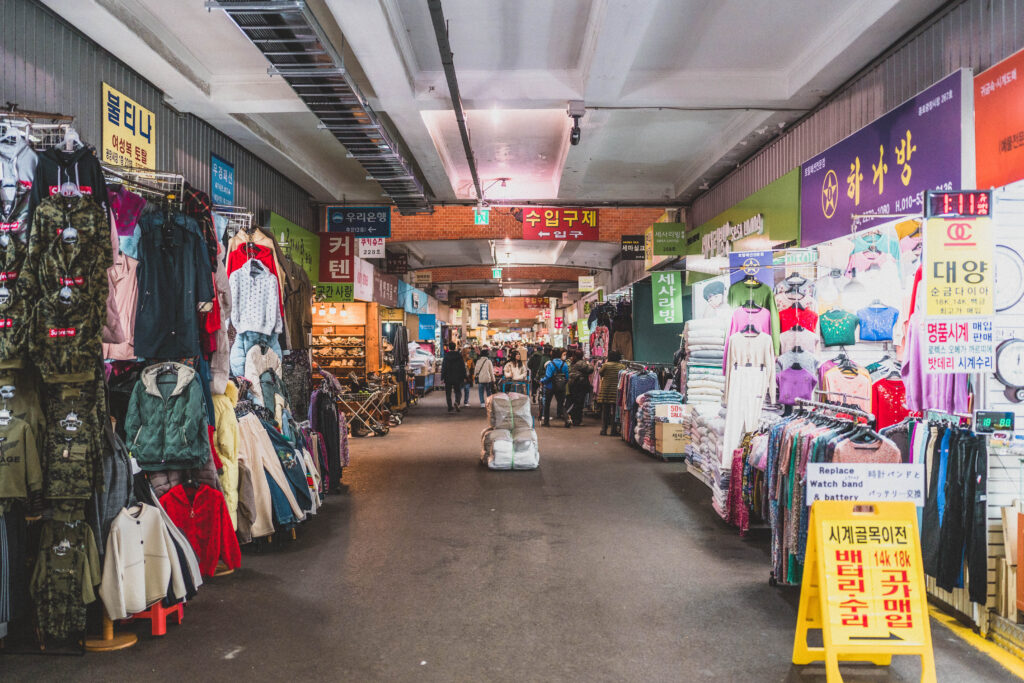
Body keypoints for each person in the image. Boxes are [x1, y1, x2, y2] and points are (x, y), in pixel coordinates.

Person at [597, 350, 625, 435]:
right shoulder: (622, 366)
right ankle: (613, 430)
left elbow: (600, 373)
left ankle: (604, 430)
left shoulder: (605, 365)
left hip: (606, 390)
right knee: (615, 412)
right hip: (616, 391)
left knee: (605, 411)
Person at [541, 347, 570, 427]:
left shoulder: (550, 364)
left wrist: (542, 381)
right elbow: (567, 377)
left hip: (550, 386)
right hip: (561, 387)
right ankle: (567, 420)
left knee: (547, 404)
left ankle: (546, 422)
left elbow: (548, 376)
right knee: (561, 404)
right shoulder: (564, 364)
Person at [566, 350, 593, 427]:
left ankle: (574, 419)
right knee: (579, 403)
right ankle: (577, 420)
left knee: (575, 402)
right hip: (579, 385)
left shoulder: (573, 362)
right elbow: (590, 369)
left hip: (573, 384)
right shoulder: (581, 363)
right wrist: (589, 364)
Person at [440, 342, 466, 413]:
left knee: (448, 393)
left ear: (449, 348)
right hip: (457, 377)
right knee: (458, 391)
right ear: (455, 347)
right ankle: (457, 402)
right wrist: (464, 376)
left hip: (448, 377)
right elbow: (462, 366)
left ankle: (450, 407)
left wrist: (442, 377)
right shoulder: (459, 355)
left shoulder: (446, 356)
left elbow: (444, 367)